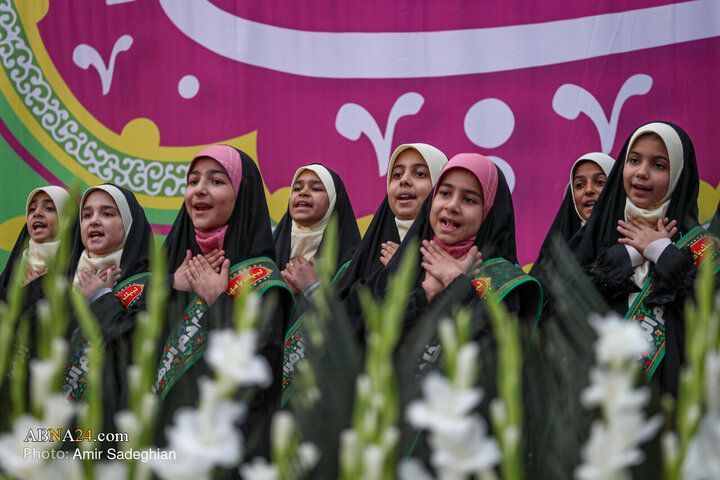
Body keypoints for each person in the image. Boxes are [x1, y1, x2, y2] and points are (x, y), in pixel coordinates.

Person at [153, 145, 293, 457]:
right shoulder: (173, 265)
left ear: (241, 195)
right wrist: (171, 287)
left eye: (216, 181)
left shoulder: (262, 280)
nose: (199, 190)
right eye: (193, 181)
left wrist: (219, 300)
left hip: (227, 449)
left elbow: (262, 375)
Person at [567, 121, 719, 395]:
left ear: (678, 176)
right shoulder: (595, 235)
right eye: (634, 160)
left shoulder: (700, 248)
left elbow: (709, 318)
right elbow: (563, 306)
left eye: (659, 165)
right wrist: (628, 254)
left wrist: (662, 253)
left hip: (673, 400)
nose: (642, 173)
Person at [63, 184, 153, 441]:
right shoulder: (63, 282)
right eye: (87, 214)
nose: (94, 221)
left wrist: (101, 298)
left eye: (107, 213)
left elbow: (135, 346)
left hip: (110, 427)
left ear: (129, 223)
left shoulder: (149, 285)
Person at [333, 143, 448, 302]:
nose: (405, 180)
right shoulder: (372, 250)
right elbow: (340, 317)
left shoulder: (457, 256)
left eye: (420, 174)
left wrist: (411, 274)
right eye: (397, 175)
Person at [0, 186, 70, 303]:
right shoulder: (16, 265)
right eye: (32, 209)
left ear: (66, 219)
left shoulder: (77, 266)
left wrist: (38, 288)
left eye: (49, 208)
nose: (37, 213)